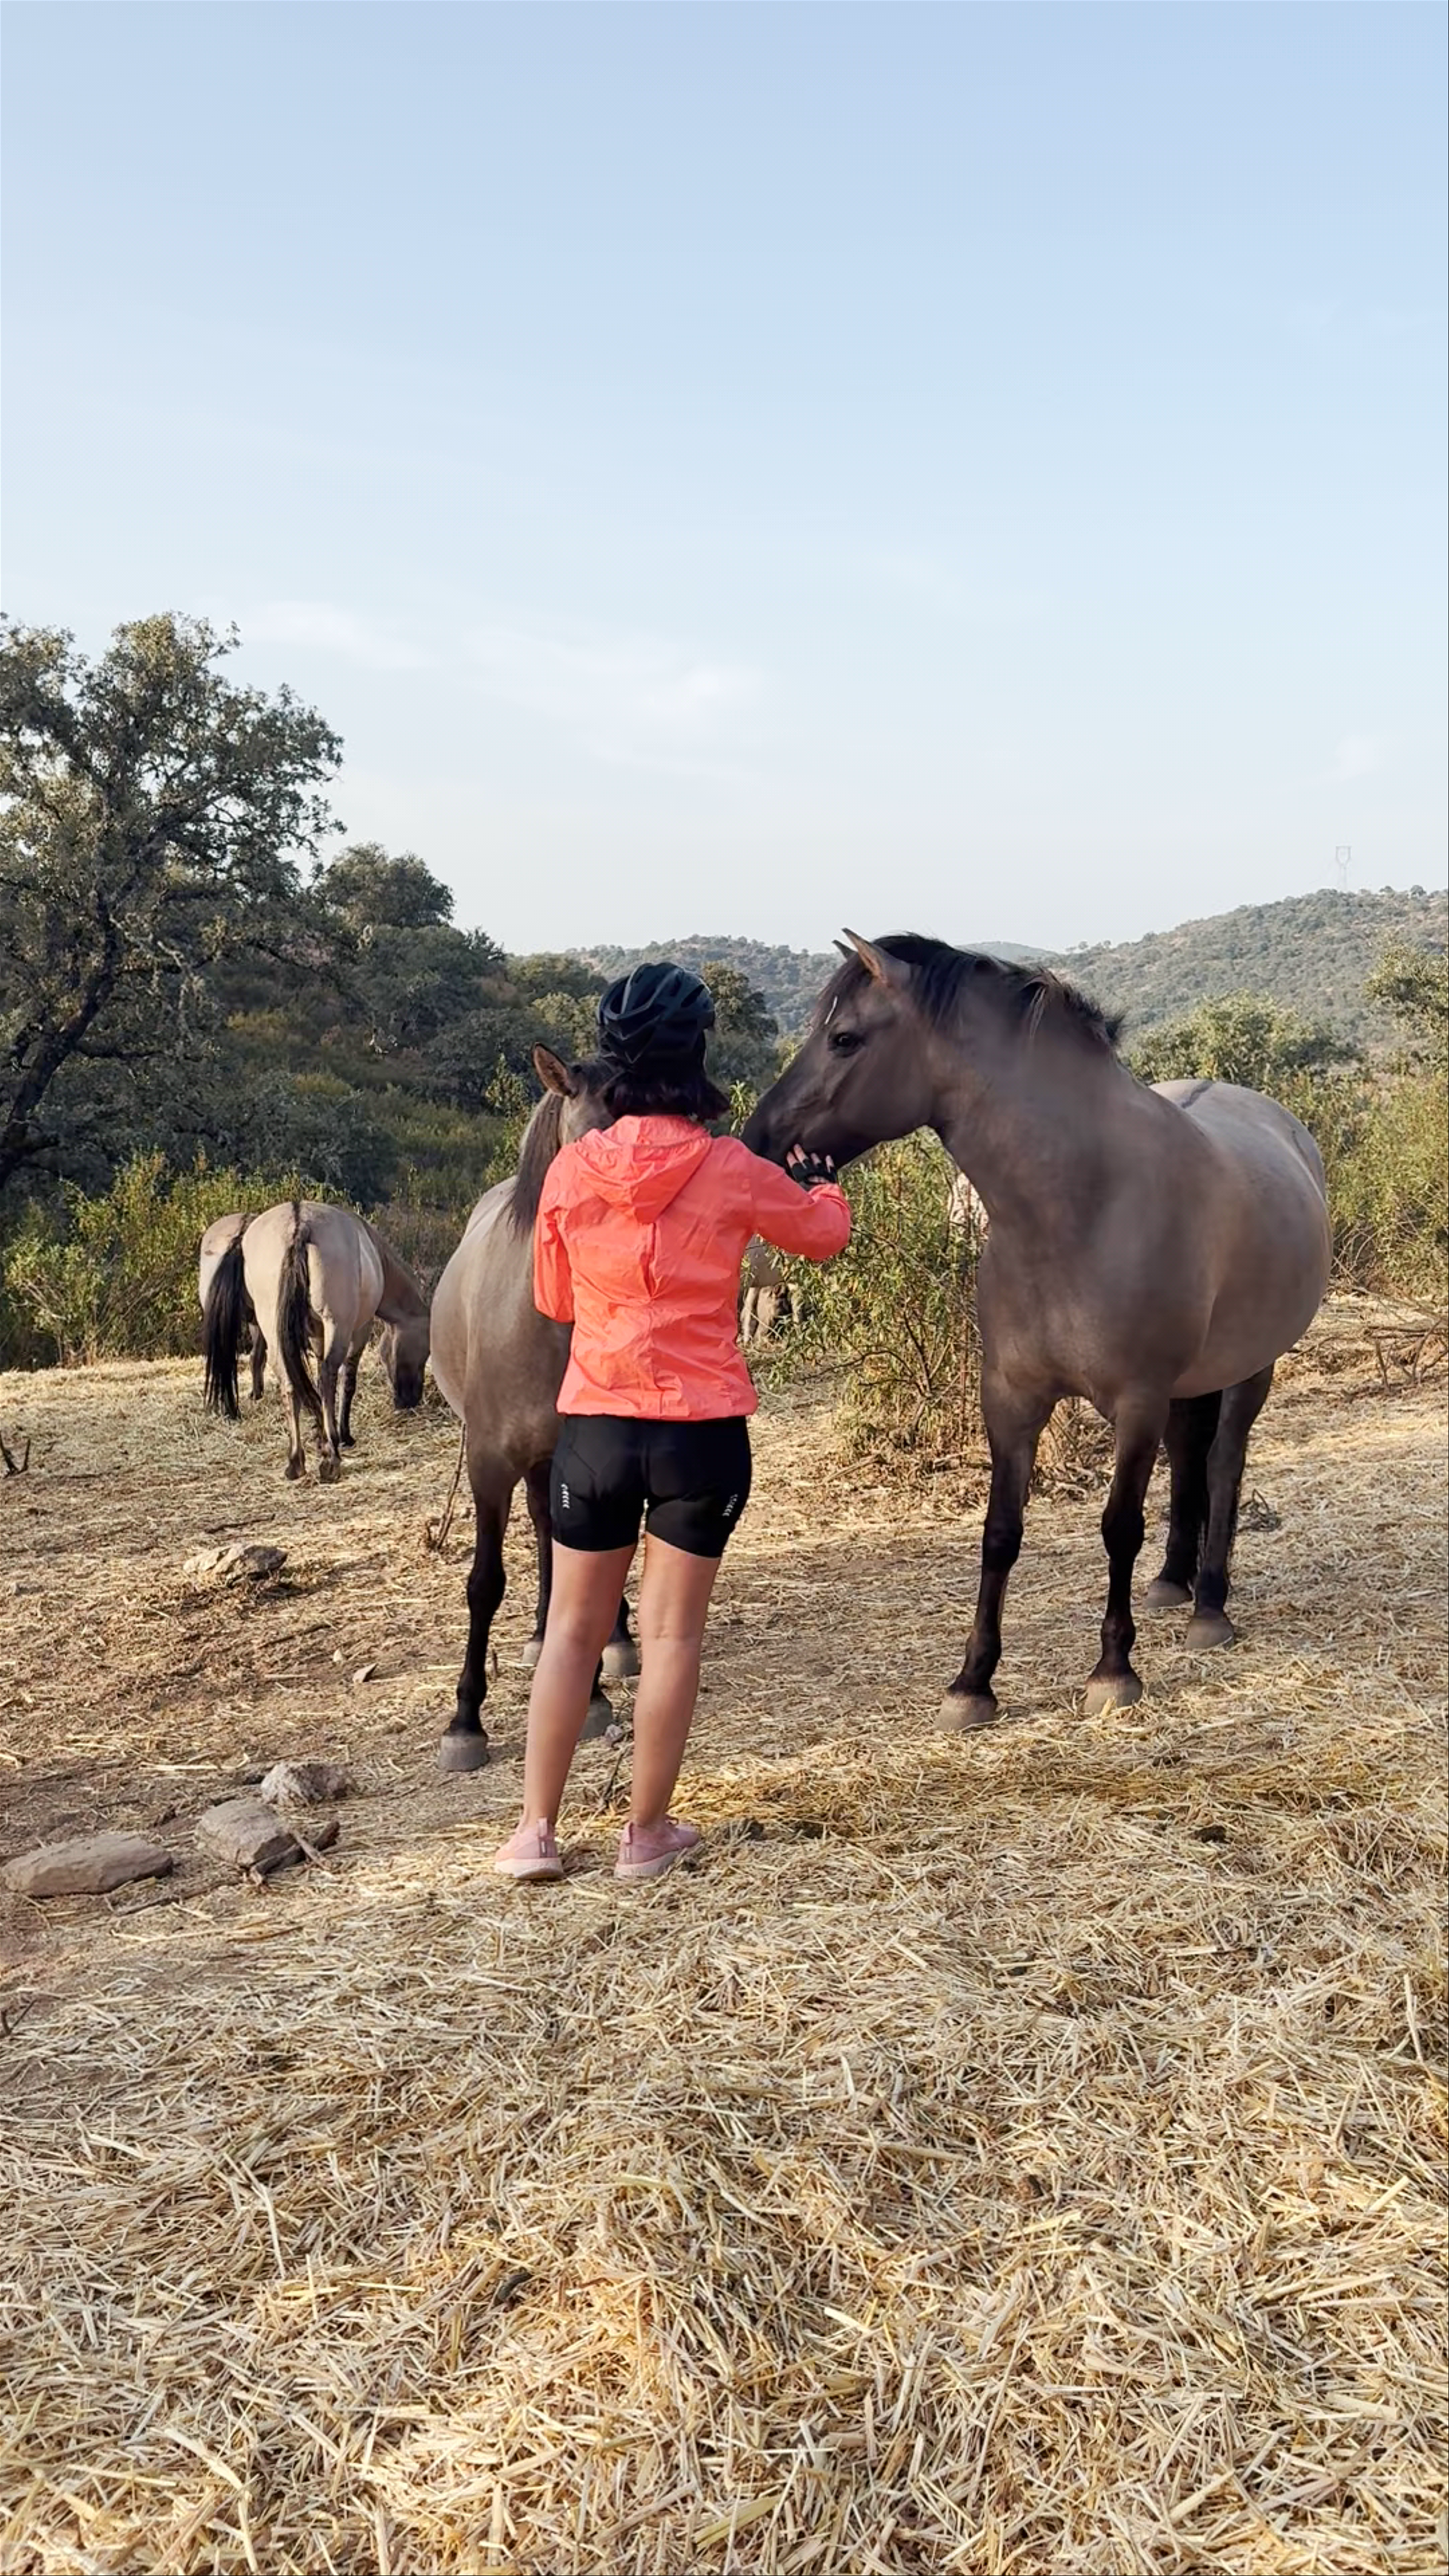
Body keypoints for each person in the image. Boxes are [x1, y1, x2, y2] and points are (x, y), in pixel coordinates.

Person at [492, 962, 851, 1884]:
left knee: (572, 1630)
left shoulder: (573, 1168)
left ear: (611, 1063)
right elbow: (821, 1236)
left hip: (597, 1428)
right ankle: (644, 1835)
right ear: (698, 1056)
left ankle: (535, 1832)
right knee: (673, 1638)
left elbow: (554, 1295)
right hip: (701, 1432)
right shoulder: (731, 1166)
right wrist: (825, 1187)